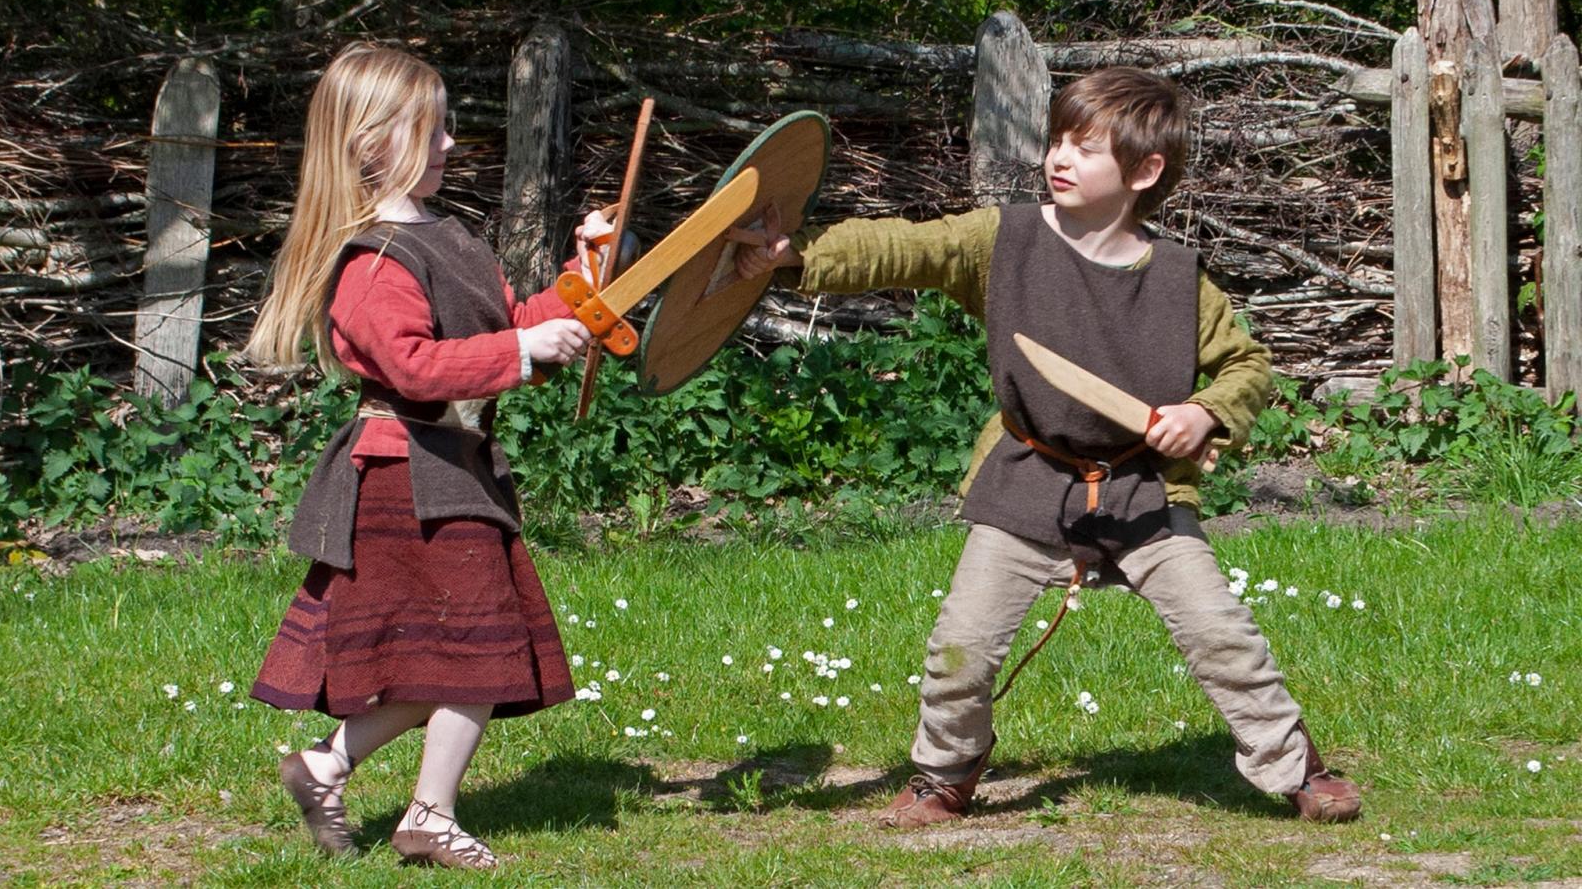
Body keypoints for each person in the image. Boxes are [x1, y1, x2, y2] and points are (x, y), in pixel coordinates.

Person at [735, 67, 1361, 827]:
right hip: (1029, 475)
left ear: (1145, 171)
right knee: (960, 647)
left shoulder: (1177, 281)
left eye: (1085, 148)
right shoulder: (1005, 240)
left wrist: (1204, 415)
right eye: (1057, 141)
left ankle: (1297, 769)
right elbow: (901, 247)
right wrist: (792, 255)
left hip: (1141, 491)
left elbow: (1247, 364)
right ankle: (944, 775)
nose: (1059, 158)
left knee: (1221, 633)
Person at [244, 42, 597, 868]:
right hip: (406, 477)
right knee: (478, 649)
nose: (448, 145)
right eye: (430, 130)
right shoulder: (373, 262)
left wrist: (585, 280)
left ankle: (326, 766)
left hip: (448, 471)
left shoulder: (450, 237)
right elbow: (414, 366)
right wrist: (523, 346)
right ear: (372, 144)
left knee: (449, 651)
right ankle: (428, 817)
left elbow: (510, 320)